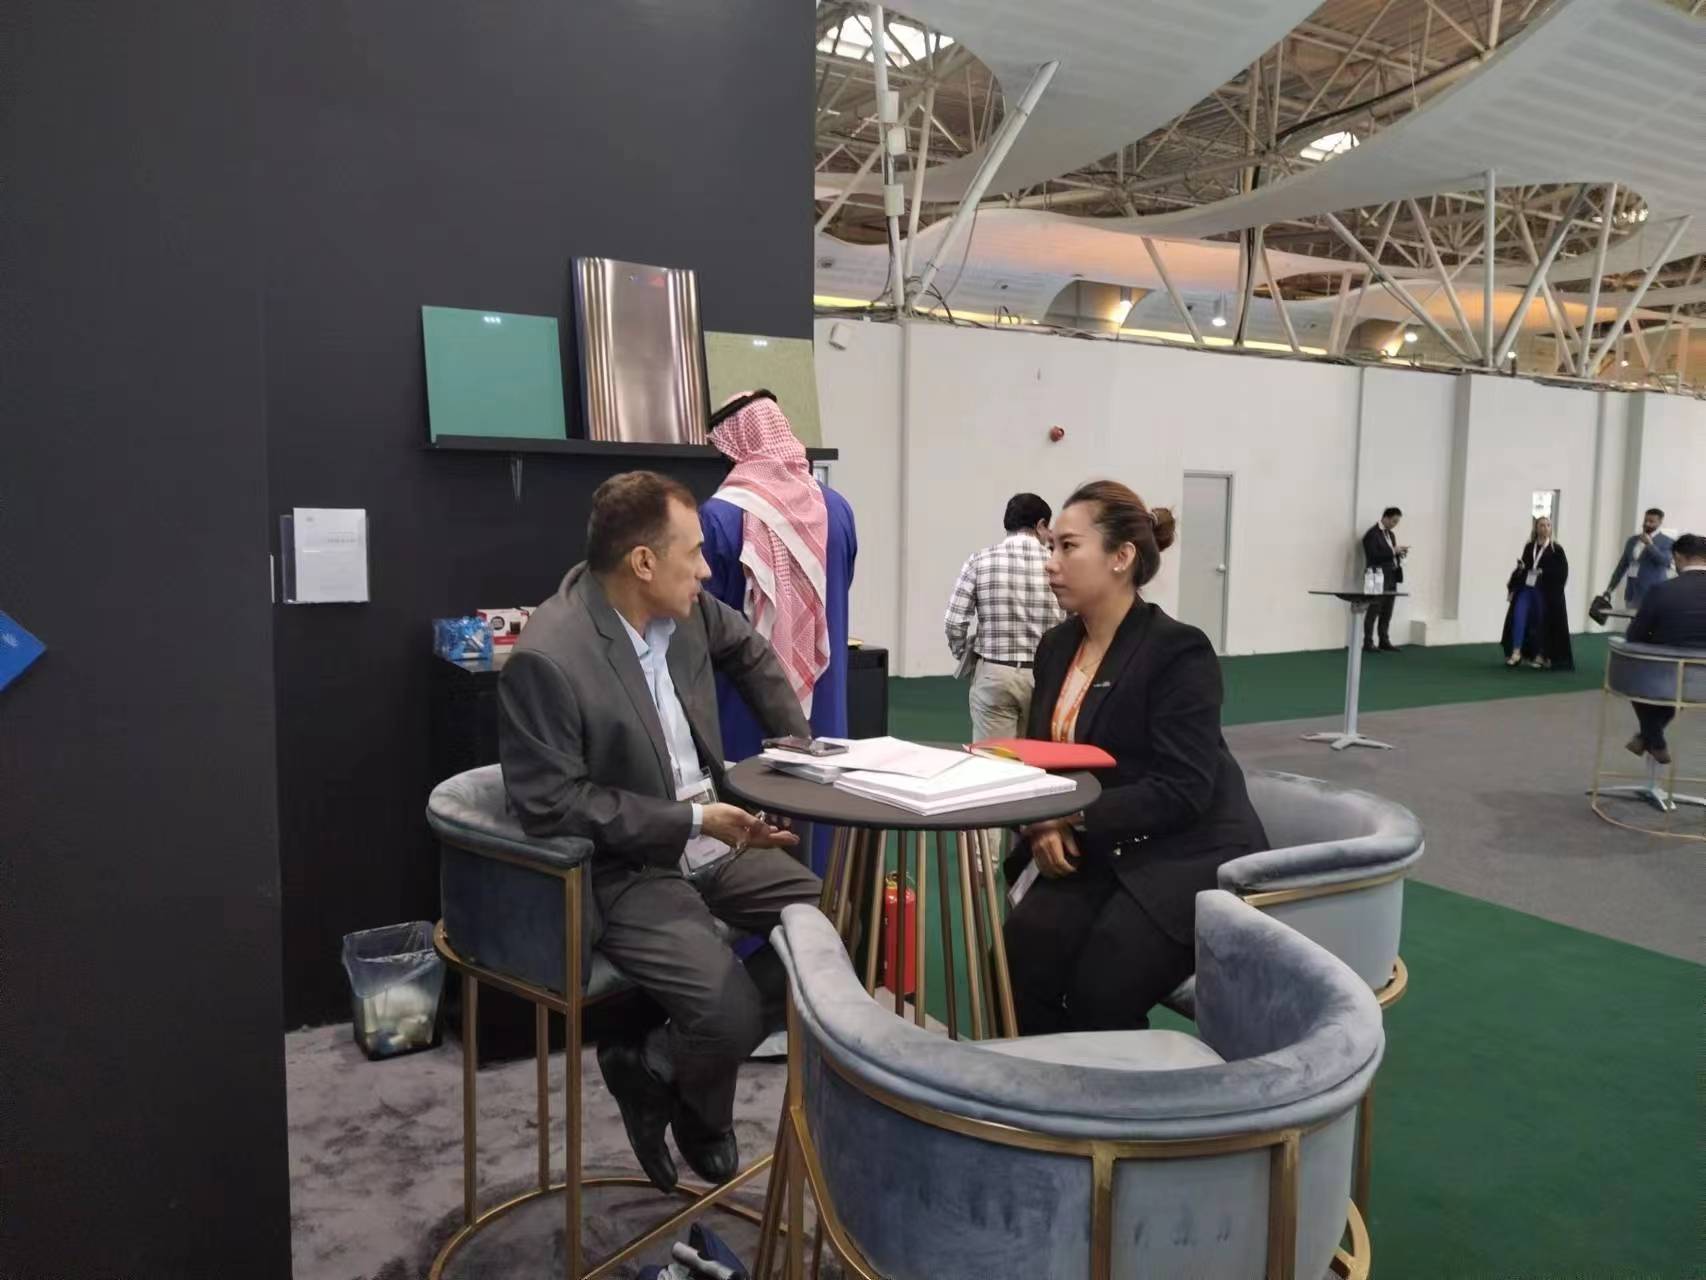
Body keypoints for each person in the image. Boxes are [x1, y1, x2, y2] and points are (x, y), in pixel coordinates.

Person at [498, 470, 821, 1193]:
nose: (707, 570)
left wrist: (796, 751)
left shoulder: (687, 609)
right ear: (643, 562)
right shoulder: (550, 657)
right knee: (729, 1011)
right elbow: (550, 805)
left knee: (830, 934)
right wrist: (692, 819)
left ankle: (655, 1064)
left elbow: (749, 652)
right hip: (628, 865)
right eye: (694, 552)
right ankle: (703, 1112)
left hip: (713, 835)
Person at [1002, 480, 1268, 1034]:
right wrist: (1041, 824)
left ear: (1121, 557)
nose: (1051, 563)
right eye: (1051, 546)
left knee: (1102, 986)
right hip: (1103, 845)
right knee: (1018, 959)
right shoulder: (1055, 647)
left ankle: (1111, 1089)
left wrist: (1064, 815)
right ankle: (1050, 1083)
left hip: (1185, 852)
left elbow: (1184, 790)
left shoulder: (1179, 651)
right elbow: (1041, 757)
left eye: (1068, 547)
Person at [700, 391, 857, 876]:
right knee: (821, 803)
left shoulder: (718, 516)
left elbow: (704, 620)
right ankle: (824, 898)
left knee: (751, 809)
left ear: (733, 444)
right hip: (825, 690)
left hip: (743, 699)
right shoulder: (837, 508)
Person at [944, 493, 1066, 742]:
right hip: (1046, 677)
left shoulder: (980, 561)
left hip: (994, 672)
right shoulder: (1059, 566)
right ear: (1041, 524)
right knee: (1041, 758)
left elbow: (954, 622)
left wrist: (964, 655)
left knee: (992, 760)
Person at [1623, 533, 1706, 765]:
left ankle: (1653, 738)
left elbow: (1634, 636)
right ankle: (1650, 737)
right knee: (1681, 687)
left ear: (1677, 557)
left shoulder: (1662, 590)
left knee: (1636, 677)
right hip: (1700, 680)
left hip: (1667, 674)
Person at [1501, 515, 1573, 670]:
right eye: (1542, 525)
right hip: (1527, 588)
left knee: (1542, 620)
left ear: (1551, 529)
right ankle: (1516, 652)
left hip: (1544, 591)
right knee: (1518, 615)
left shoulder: (1556, 549)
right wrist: (1519, 571)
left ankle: (1541, 654)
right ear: (1536, 528)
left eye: (1548, 525)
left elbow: (1562, 572)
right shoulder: (1529, 547)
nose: (1545, 528)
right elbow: (1525, 566)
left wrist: (1544, 572)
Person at [1605, 507, 1674, 609]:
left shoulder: (1667, 541)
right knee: (1632, 619)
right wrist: (1610, 589)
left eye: (1651, 521)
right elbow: (1621, 566)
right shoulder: (1632, 540)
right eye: (1645, 520)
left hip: (1654, 595)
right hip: (1632, 594)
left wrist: (1650, 545)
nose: (1647, 524)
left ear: (1660, 523)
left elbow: (1665, 562)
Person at [1361, 507, 1408, 652]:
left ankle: (1384, 640)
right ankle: (1368, 642)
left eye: (1397, 522)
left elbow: (1388, 554)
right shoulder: (1371, 534)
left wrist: (1399, 553)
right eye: (1394, 521)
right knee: (1373, 609)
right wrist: (1393, 551)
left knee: (1387, 611)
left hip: (1391, 575)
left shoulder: (1391, 535)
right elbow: (1373, 555)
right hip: (1375, 575)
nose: (1395, 524)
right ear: (1385, 518)